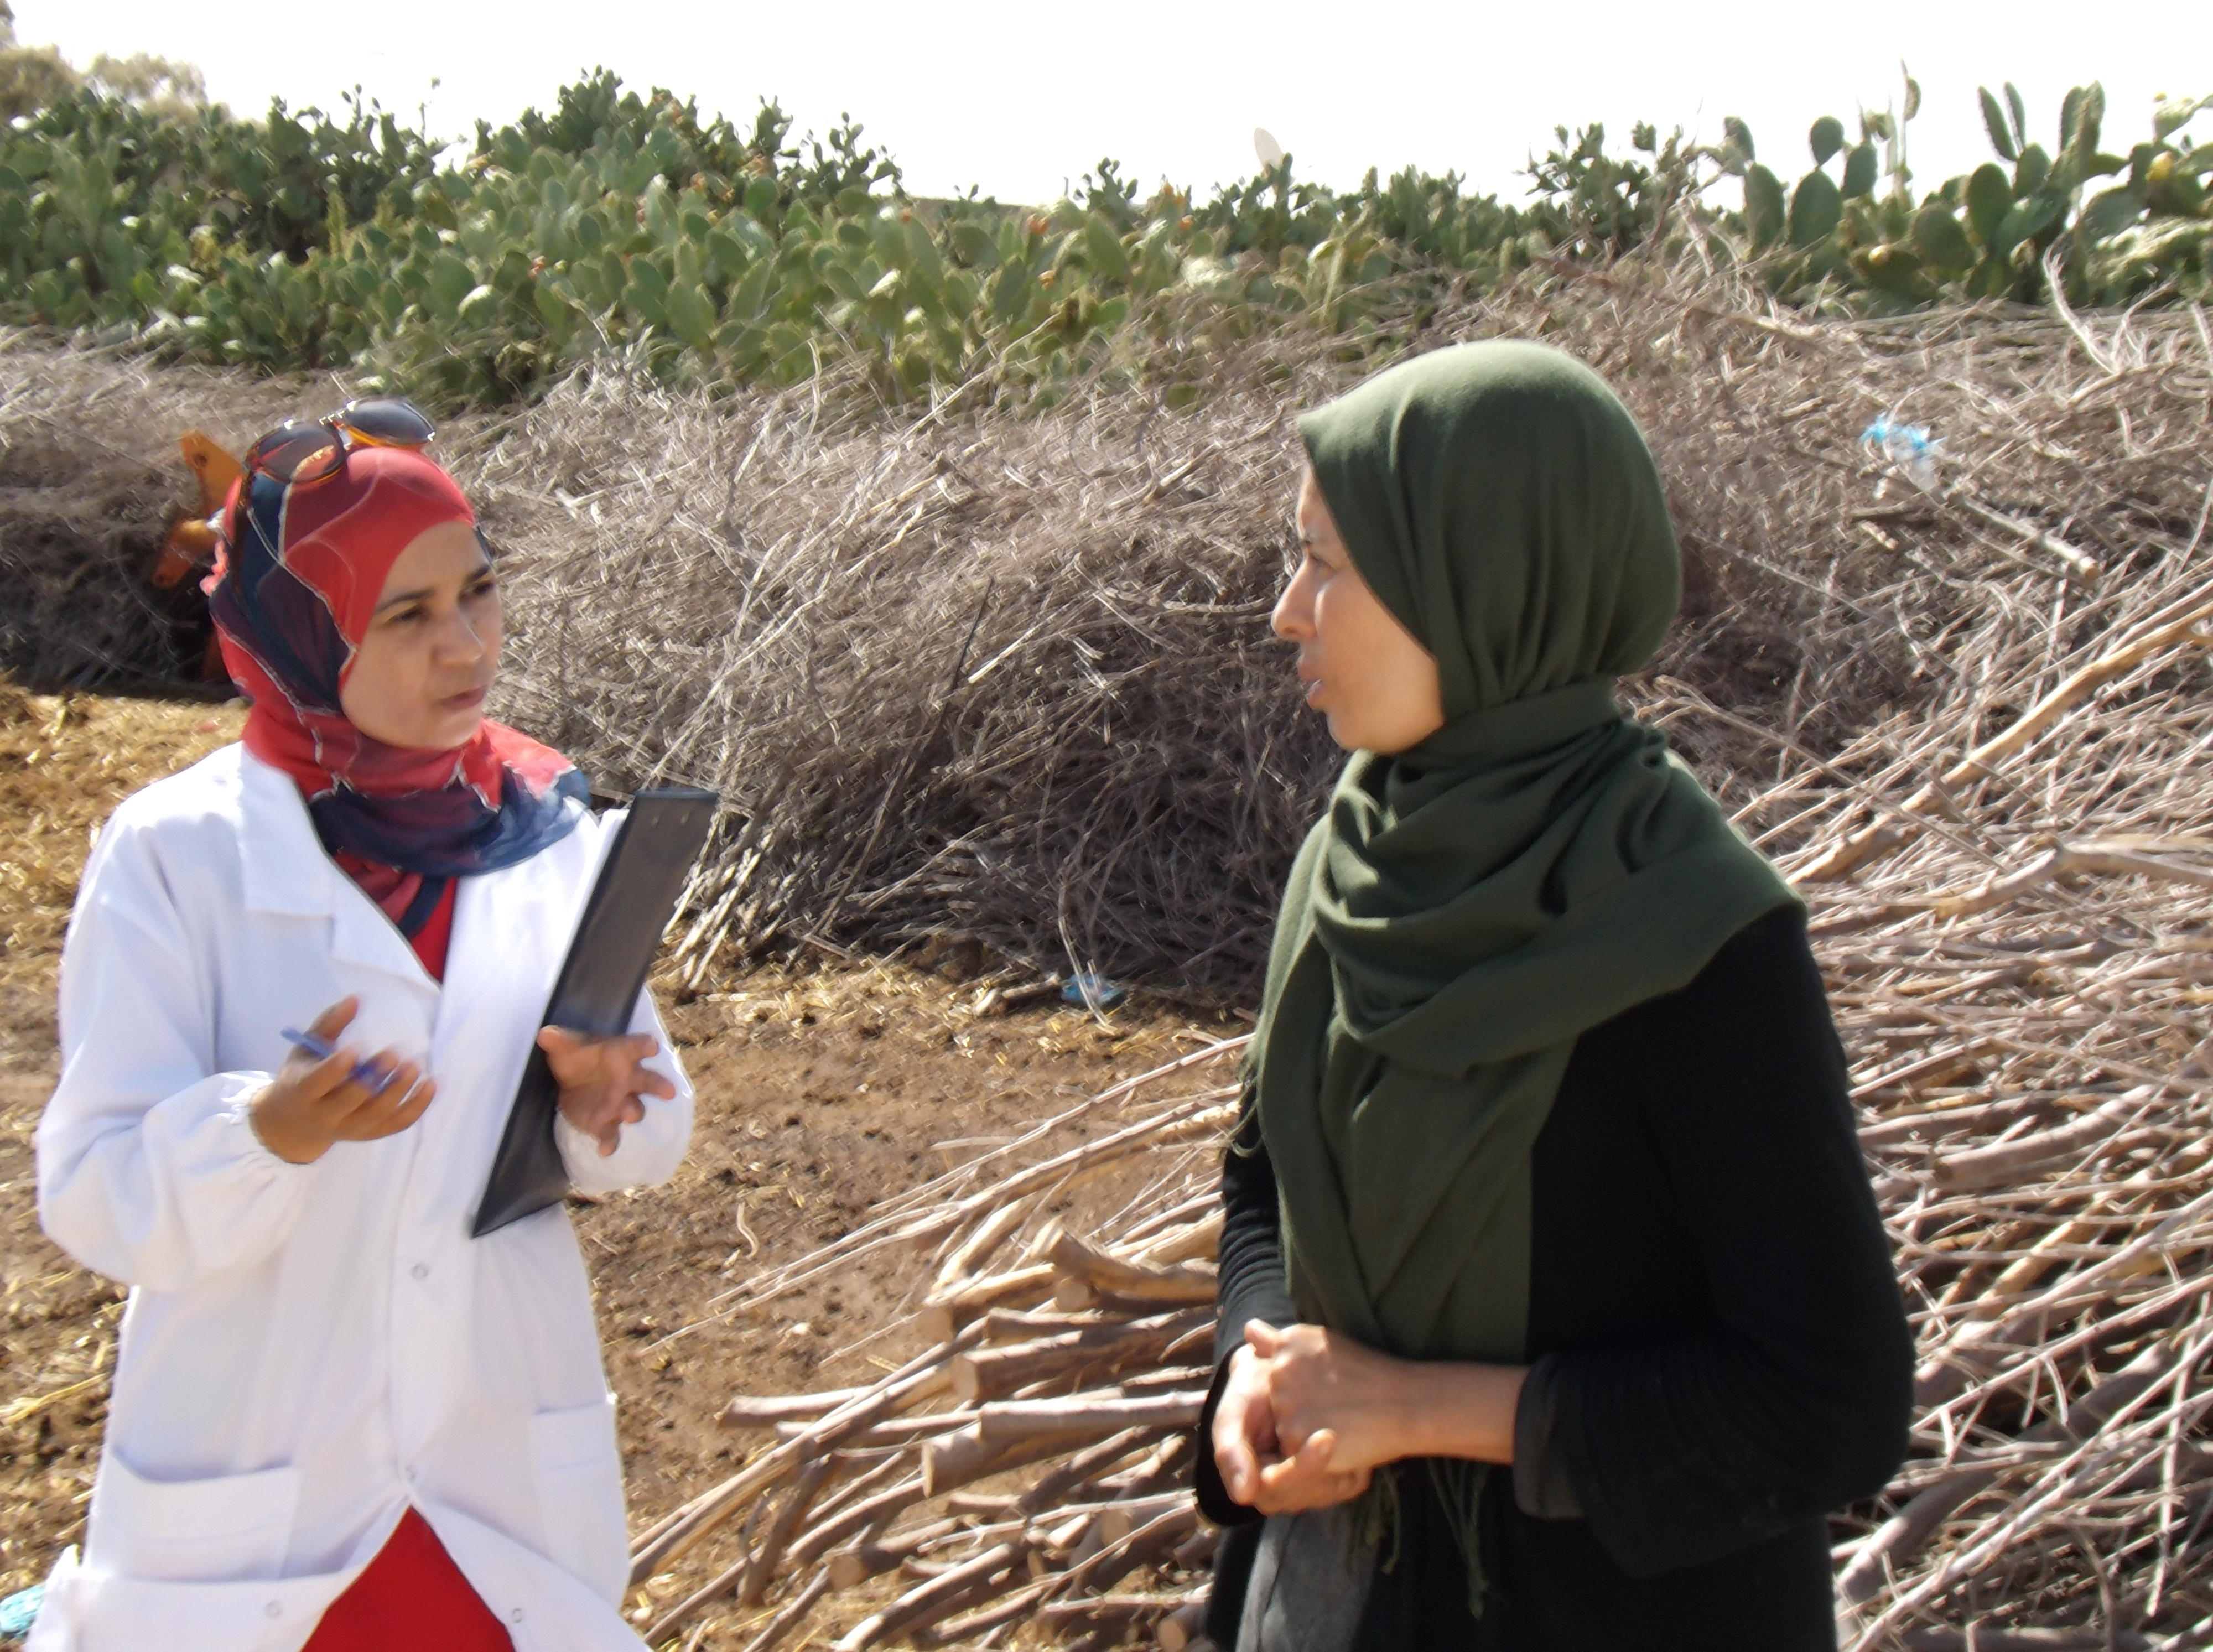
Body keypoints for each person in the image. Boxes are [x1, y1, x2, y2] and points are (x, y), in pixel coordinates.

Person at [1196, 342, 1913, 1651]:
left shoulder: (1688, 934)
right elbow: (1261, 1181)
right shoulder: (1349, 866)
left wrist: (1417, 1407)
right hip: (1331, 1596)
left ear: (1481, 587)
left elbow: (1827, 1401)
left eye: (1331, 565)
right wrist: (1254, 1359)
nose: (1286, 611)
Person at [29, 402, 692, 1652]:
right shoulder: (177, 853)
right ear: (292, 635)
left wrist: (608, 1104)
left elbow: (648, 1129)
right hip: (252, 1513)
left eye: (477, 592)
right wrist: (263, 1133)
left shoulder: (547, 830)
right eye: (406, 615)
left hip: (492, 1504)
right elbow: (93, 1192)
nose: (465, 645)